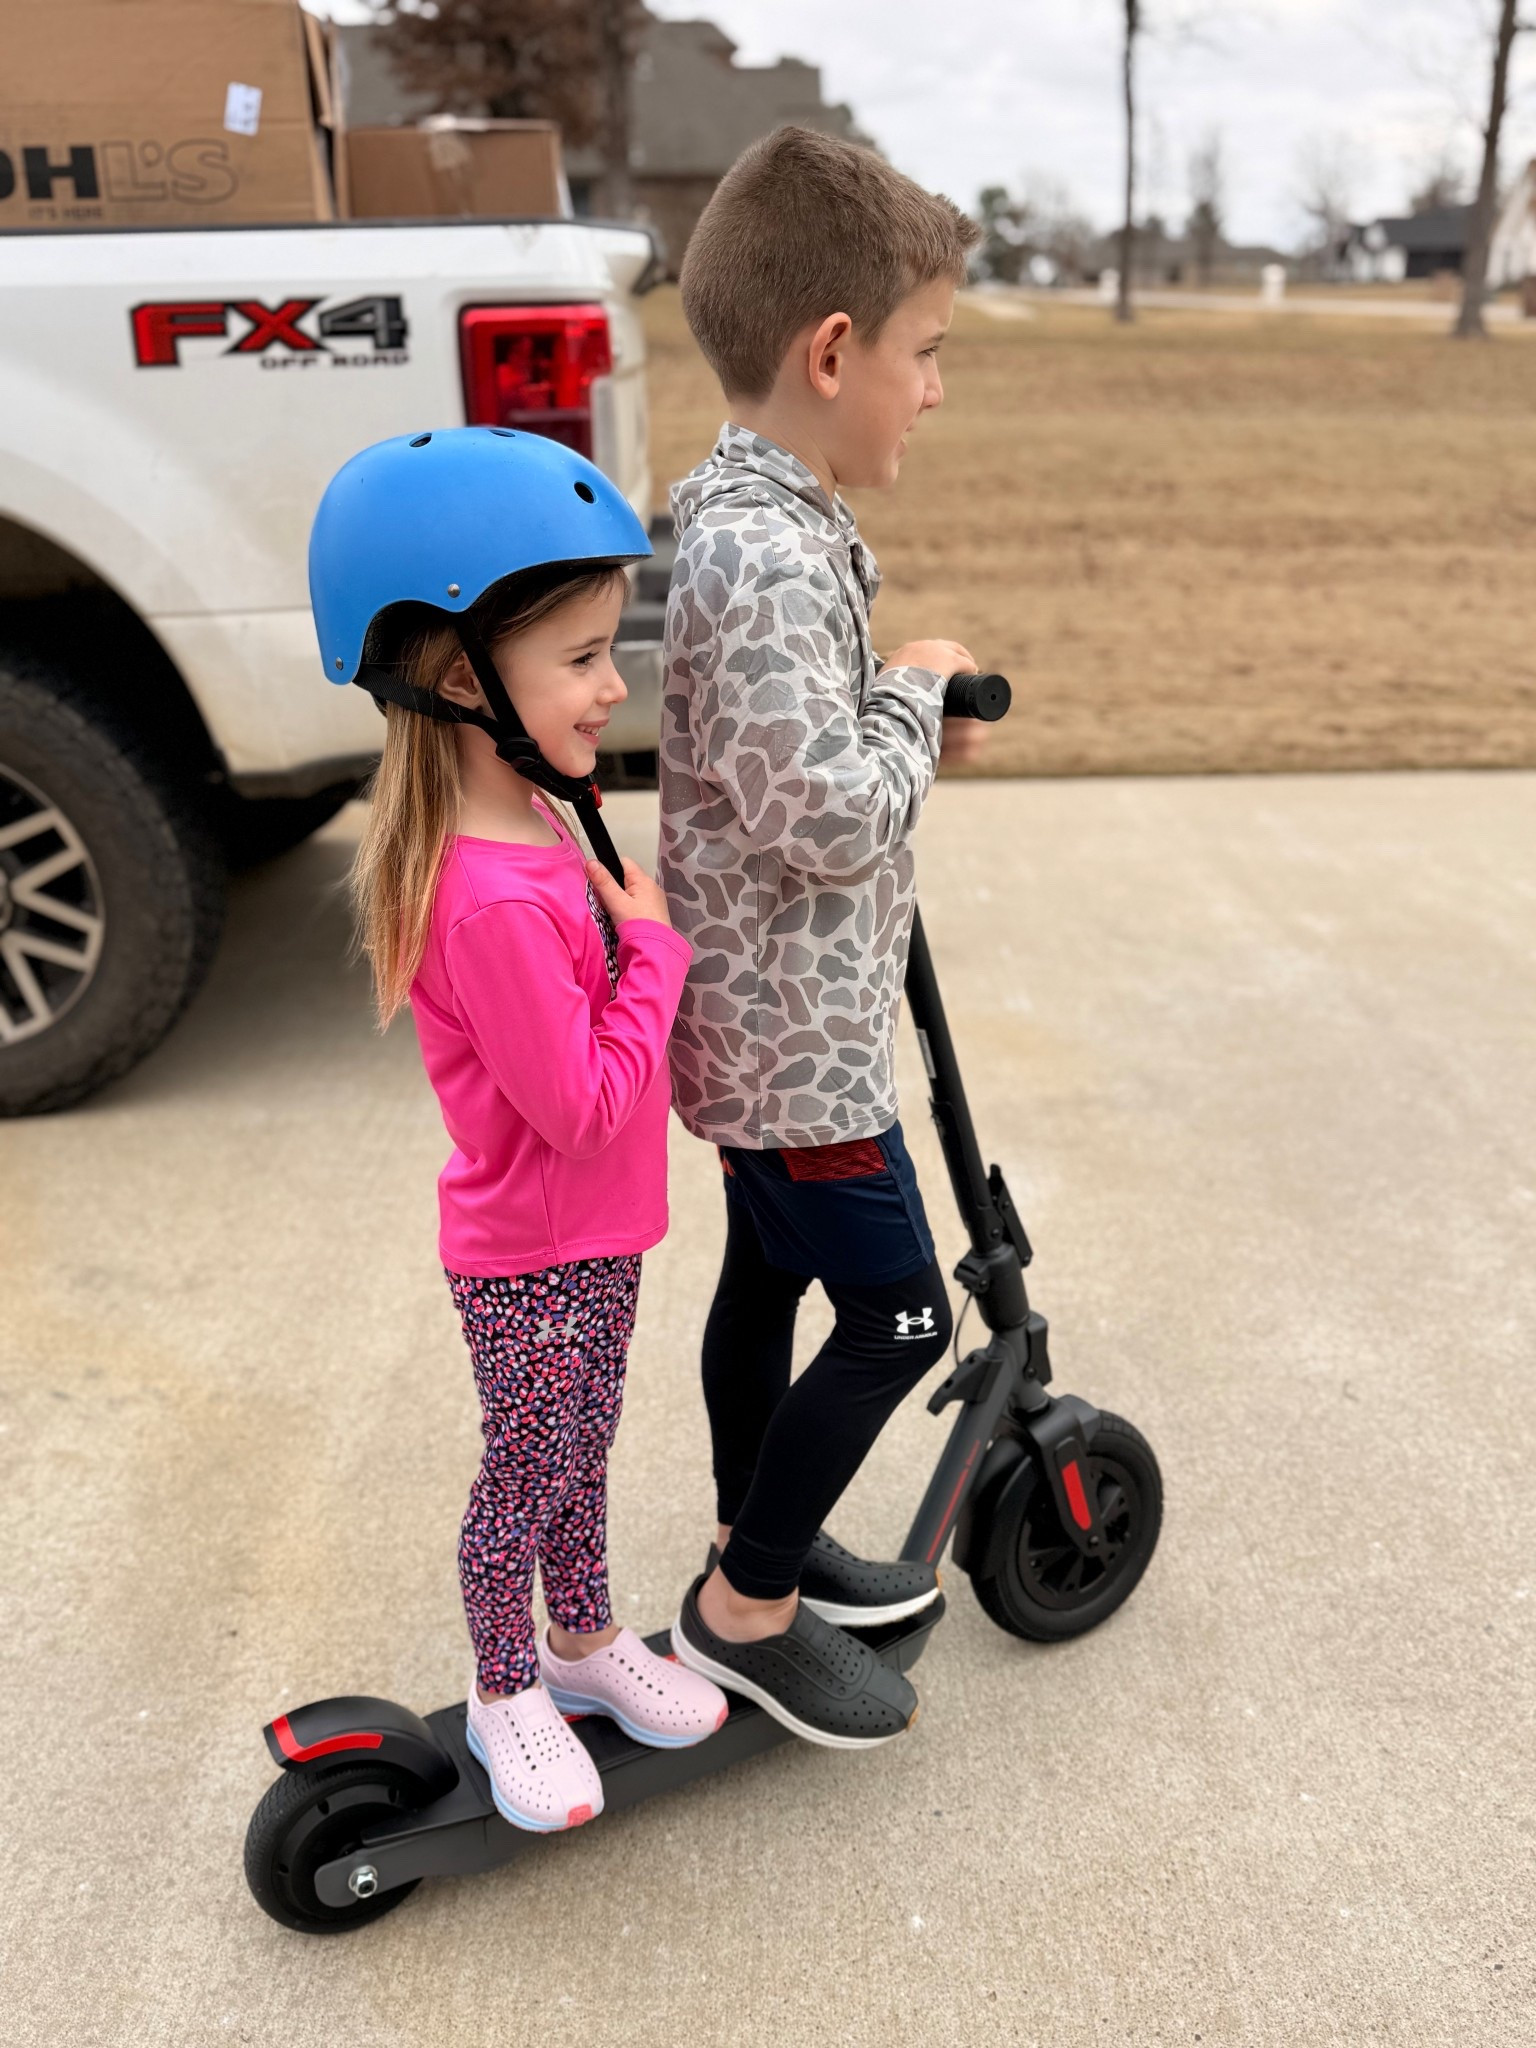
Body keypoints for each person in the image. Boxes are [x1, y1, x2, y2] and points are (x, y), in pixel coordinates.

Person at [308, 427, 727, 1836]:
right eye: (582, 658)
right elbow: (585, 1101)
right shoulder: (488, 897)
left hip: (591, 1234)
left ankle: (585, 1640)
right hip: (530, 1253)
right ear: (459, 681)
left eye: (614, 648)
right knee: (526, 1470)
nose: (616, 683)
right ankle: (505, 1691)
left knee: (582, 1446)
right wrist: (654, 952)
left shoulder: (547, 823)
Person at [661, 128, 989, 1747]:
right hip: (802, 1050)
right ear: (835, 349)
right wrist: (918, 694)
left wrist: (887, 710)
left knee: (765, 1283)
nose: (934, 388)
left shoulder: (739, 512)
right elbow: (836, 818)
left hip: (757, 1024)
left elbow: (780, 760)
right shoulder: (771, 554)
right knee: (899, 1319)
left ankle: (749, 1535)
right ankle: (749, 1607)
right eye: (926, 353)